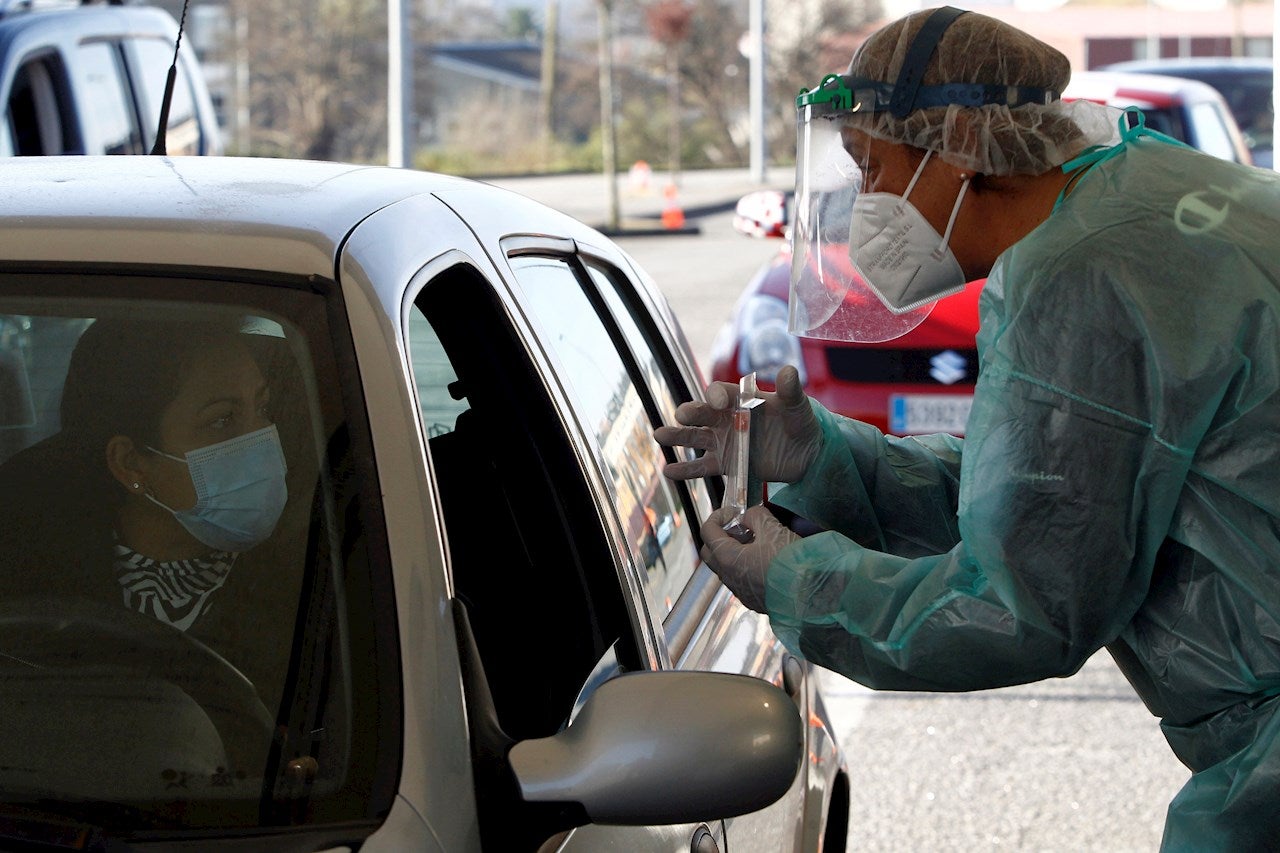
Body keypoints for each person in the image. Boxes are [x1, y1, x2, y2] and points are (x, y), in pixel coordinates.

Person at [655, 7, 1280, 850]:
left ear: (953, 148)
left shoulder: (1076, 274)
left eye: (871, 167)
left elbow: (1026, 602)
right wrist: (832, 456)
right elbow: (1066, 489)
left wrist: (800, 582)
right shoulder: (1154, 192)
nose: (865, 202)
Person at [0, 317, 288, 635]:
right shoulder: (30, 574)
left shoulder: (311, 579)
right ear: (131, 463)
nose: (262, 440)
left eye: (262, 408)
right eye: (221, 420)